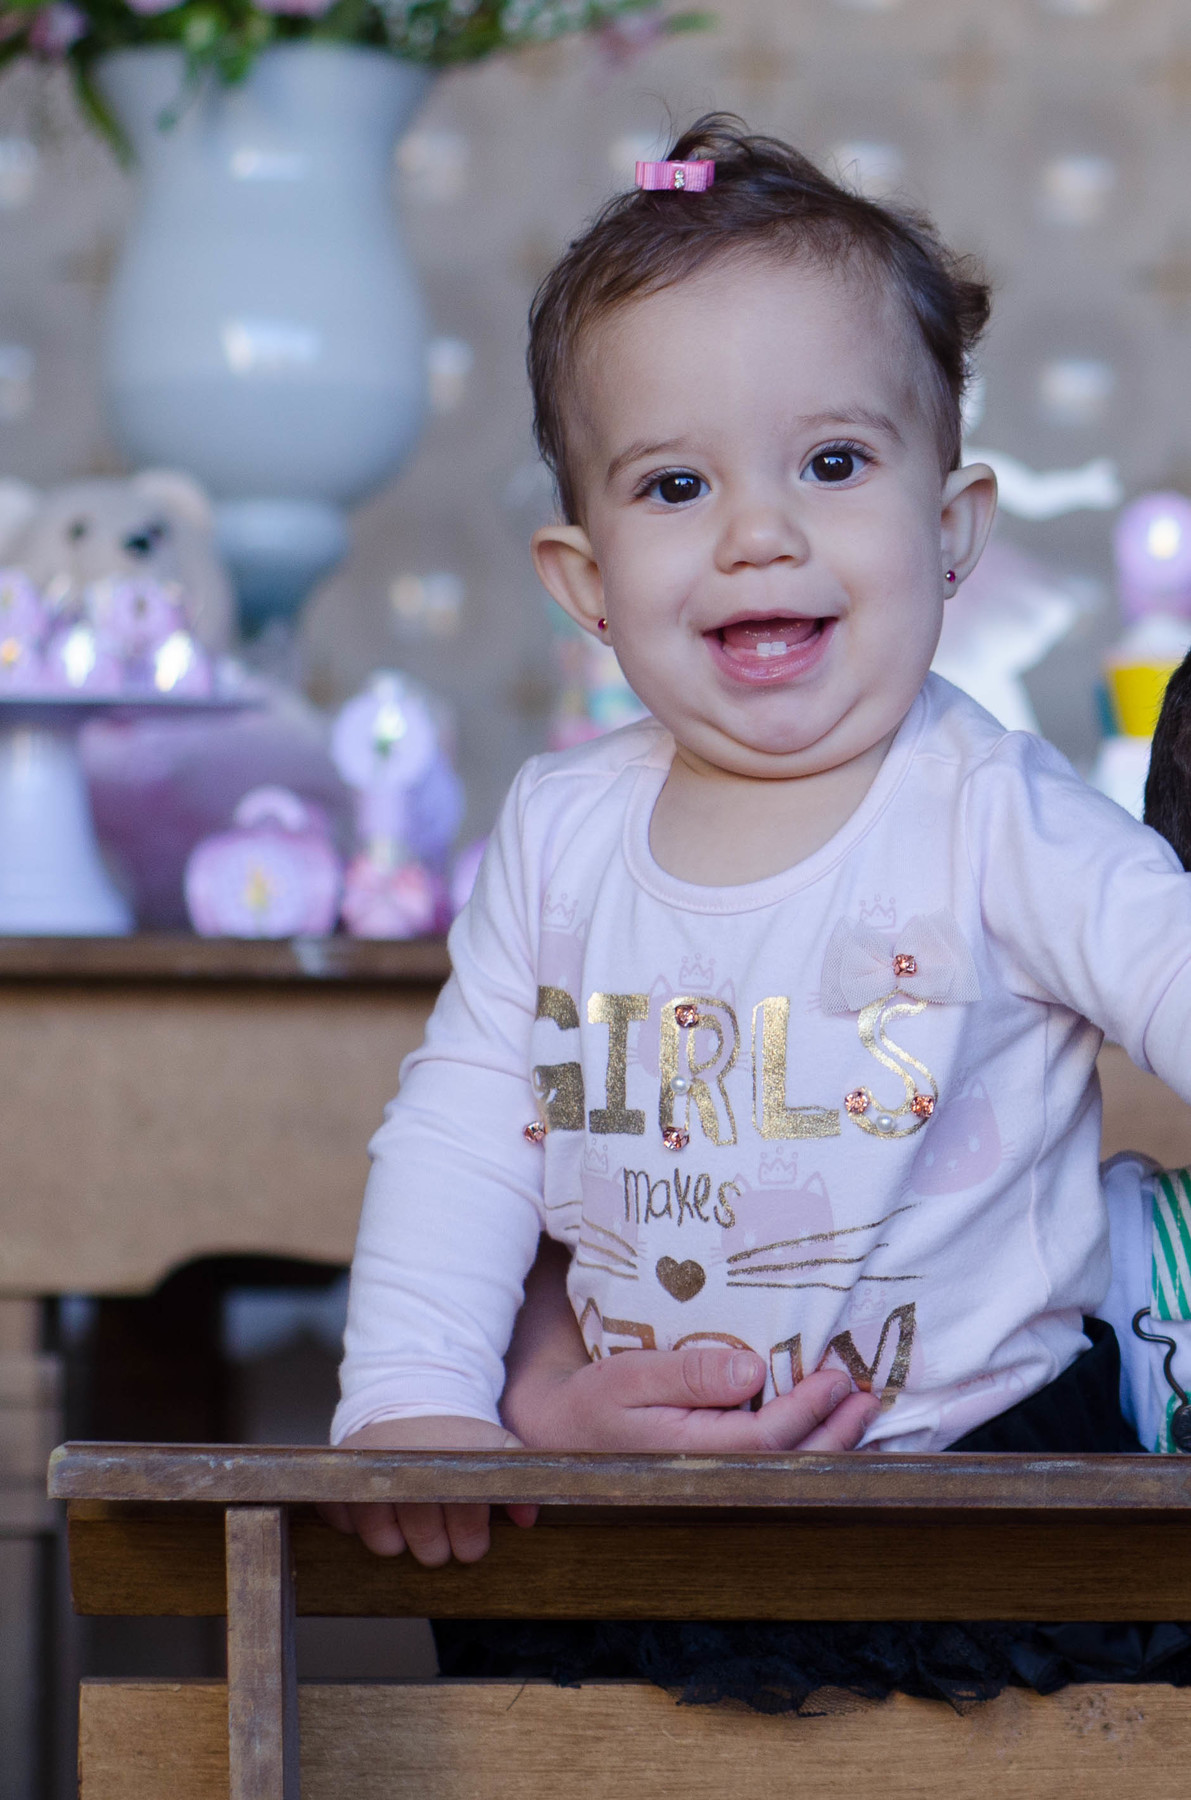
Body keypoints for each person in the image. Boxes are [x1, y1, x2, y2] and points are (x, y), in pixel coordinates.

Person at [325, 118, 1191, 1703]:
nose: (759, 531)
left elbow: (1173, 965)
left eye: (835, 463)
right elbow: (463, 1130)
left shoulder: (994, 814)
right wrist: (416, 1398)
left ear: (952, 529)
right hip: (637, 1516)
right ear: (585, 583)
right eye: (675, 483)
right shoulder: (563, 835)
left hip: (972, 1494)